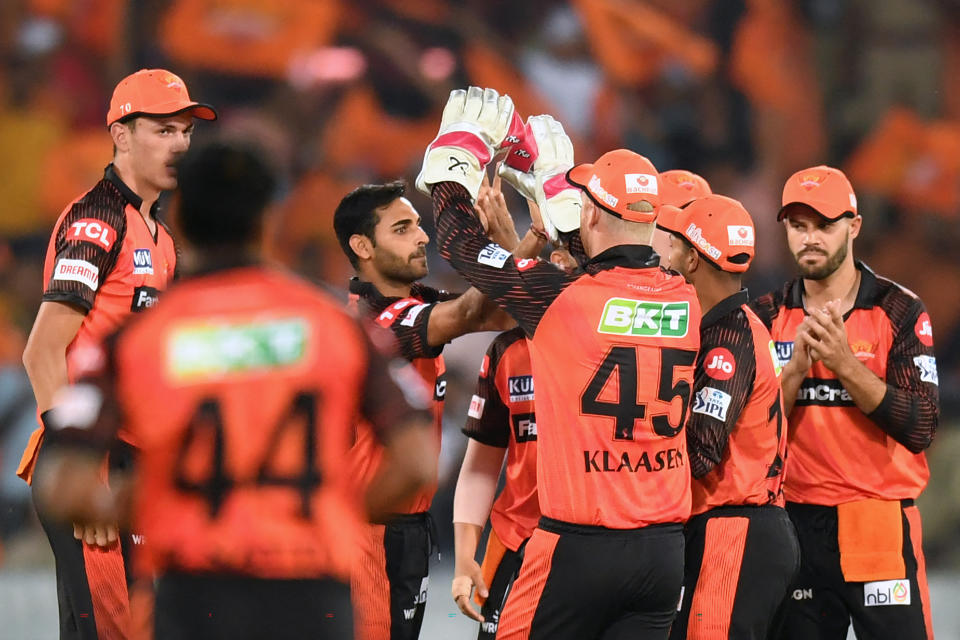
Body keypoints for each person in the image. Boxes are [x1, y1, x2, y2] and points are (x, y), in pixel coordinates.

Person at [32, 142, 438, 640]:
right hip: (310, 595)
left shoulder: (139, 338)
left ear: (182, 219)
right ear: (270, 219)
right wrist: (331, 513)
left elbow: (64, 483)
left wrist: (145, 504)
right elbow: (417, 460)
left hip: (195, 595)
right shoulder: (335, 325)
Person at [419, 87, 701, 639]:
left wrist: (455, 155)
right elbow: (603, 265)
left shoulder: (557, 298)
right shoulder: (684, 296)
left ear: (591, 214)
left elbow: (459, 246)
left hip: (578, 546)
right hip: (664, 552)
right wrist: (557, 192)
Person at [19, 68, 216, 640]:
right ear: (121, 134)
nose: (179, 144)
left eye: (185, 131)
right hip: (89, 458)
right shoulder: (96, 221)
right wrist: (79, 469)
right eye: (162, 129)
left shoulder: (162, 235)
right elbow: (41, 353)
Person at [750, 166, 939, 640]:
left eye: (825, 225)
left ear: (853, 227)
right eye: (798, 226)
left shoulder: (898, 311)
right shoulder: (765, 316)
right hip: (794, 520)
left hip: (876, 520)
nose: (810, 239)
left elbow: (920, 426)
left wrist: (844, 364)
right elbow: (752, 436)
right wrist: (792, 373)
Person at [333, 180, 513, 640]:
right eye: (402, 228)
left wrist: (514, 245)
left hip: (410, 531)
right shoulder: (375, 322)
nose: (422, 236)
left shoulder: (416, 303)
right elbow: (473, 313)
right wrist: (488, 245)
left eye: (418, 223)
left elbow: (504, 313)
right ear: (362, 246)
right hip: (365, 535)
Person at [654, 195, 799, 640]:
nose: (666, 255)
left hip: (734, 530)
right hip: (740, 529)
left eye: (676, 246)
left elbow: (701, 450)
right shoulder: (732, 325)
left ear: (694, 260)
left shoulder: (726, 339)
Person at [450, 186, 577, 639]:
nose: (560, 262)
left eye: (571, 249)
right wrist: (466, 556)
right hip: (515, 537)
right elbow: (483, 464)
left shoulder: (612, 344)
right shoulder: (505, 352)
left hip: (587, 542)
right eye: (553, 249)